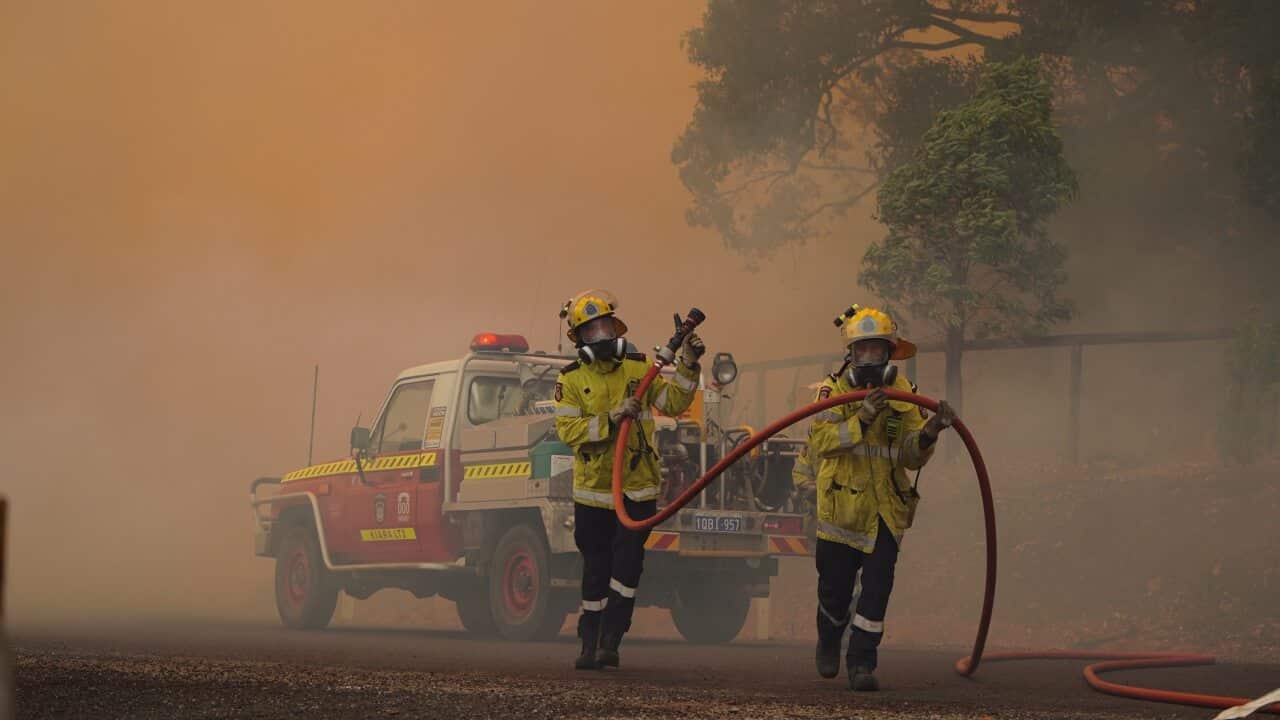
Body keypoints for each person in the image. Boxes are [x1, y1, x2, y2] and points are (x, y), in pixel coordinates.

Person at [806, 305, 957, 691]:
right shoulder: (832, 392)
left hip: (886, 513)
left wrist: (929, 432)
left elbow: (909, 455)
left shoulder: (905, 395)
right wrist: (861, 420)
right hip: (841, 513)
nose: (871, 359)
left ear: (890, 354)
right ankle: (828, 639)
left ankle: (861, 664)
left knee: (876, 591)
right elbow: (821, 442)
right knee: (834, 592)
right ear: (851, 355)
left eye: (878, 351)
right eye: (863, 351)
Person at [554, 289, 705, 670]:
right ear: (579, 340)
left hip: (636, 489)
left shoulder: (639, 369)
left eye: (605, 326)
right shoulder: (570, 379)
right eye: (591, 332)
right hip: (593, 494)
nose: (601, 337)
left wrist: (688, 364)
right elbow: (568, 430)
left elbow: (674, 403)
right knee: (596, 569)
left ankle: (612, 638)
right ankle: (589, 642)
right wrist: (611, 419)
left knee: (627, 567)